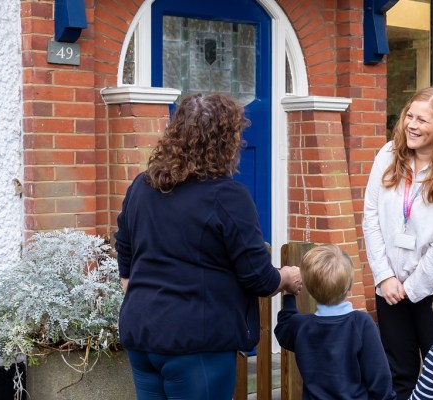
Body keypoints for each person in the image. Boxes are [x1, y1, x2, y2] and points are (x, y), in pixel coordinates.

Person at [114, 93, 302, 400]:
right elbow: (258, 278)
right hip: (197, 346)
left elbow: (125, 250)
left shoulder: (142, 185)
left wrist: (143, 296)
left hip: (143, 336)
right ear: (226, 140)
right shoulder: (228, 196)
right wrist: (289, 277)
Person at [362, 86, 433, 399]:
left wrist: (411, 290)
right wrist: (384, 277)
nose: (411, 124)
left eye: (422, 120)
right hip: (390, 289)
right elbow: (370, 216)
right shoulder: (387, 155)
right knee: (399, 374)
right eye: (409, 116)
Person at [274, 244, 397, 400]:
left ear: (309, 289)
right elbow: (380, 378)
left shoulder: (302, 326)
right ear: (350, 285)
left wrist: (289, 293)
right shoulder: (361, 324)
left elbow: (283, 327)